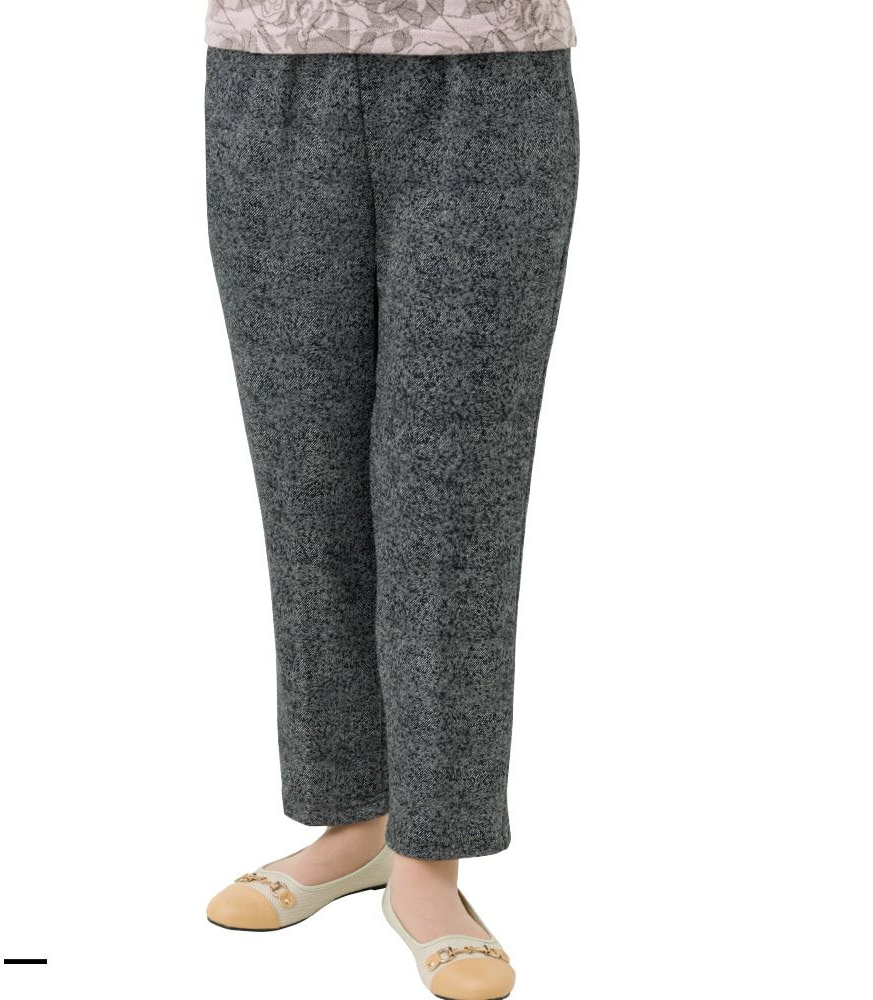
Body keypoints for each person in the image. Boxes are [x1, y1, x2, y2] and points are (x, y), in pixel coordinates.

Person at [203, 2, 579, 996]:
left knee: (455, 491)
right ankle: (354, 820)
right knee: (304, 478)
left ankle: (429, 860)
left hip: (484, 71)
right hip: (270, 62)